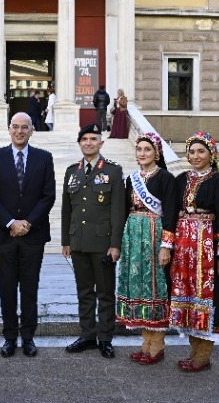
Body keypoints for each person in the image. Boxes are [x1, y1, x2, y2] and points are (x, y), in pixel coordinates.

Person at [0, 111, 56, 358]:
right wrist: (10, 222)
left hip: (33, 236)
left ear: (32, 130)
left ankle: (28, 337)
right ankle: (9, 337)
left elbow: (48, 195)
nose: (20, 131)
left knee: (29, 287)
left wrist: (28, 223)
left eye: (25, 127)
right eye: (15, 126)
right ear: (9, 129)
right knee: (6, 288)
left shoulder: (44, 158)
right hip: (3, 235)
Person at [166, 131, 219, 372]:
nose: (195, 156)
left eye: (201, 151)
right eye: (192, 152)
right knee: (186, 300)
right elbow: (170, 214)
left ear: (211, 154)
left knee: (208, 300)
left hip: (207, 251)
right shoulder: (180, 180)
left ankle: (203, 356)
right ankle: (194, 352)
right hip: (183, 251)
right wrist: (167, 246)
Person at [62, 123, 125, 359]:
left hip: (103, 243)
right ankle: (87, 335)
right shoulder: (72, 171)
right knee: (84, 291)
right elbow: (67, 209)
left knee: (105, 293)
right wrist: (66, 240)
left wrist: (115, 244)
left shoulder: (113, 171)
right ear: (79, 143)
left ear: (101, 143)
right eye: (84, 139)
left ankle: (105, 338)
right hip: (78, 242)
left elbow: (118, 210)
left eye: (93, 139)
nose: (88, 143)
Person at [116, 131, 176, 365]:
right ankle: (146, 343)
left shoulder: (165, 178)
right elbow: (124, 210)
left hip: (154, 234)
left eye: (147, 149)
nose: (142, 153)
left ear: (157, 153)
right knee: (138, 289)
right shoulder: (131, 179)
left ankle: (157, 345)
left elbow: (170, 212)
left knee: (154, 287)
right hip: (133, 235)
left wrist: (166, 246)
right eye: (139, 149)